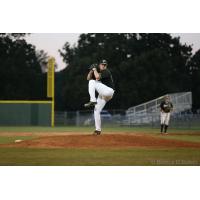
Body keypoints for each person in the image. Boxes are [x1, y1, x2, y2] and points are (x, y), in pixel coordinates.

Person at [84, 59, 115, 135]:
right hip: (103, 95)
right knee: (96, 110)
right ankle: (98, 130)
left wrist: (94, 70)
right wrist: (91, 70)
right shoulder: (98, 71)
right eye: (102, 64)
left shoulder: (106, 71)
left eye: (105, 65)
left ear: (106, 66)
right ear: (99, 65)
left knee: (92, 81)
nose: (103, 66)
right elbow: (88, 78)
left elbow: (97, 77)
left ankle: (93, 100)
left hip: (109, 91)